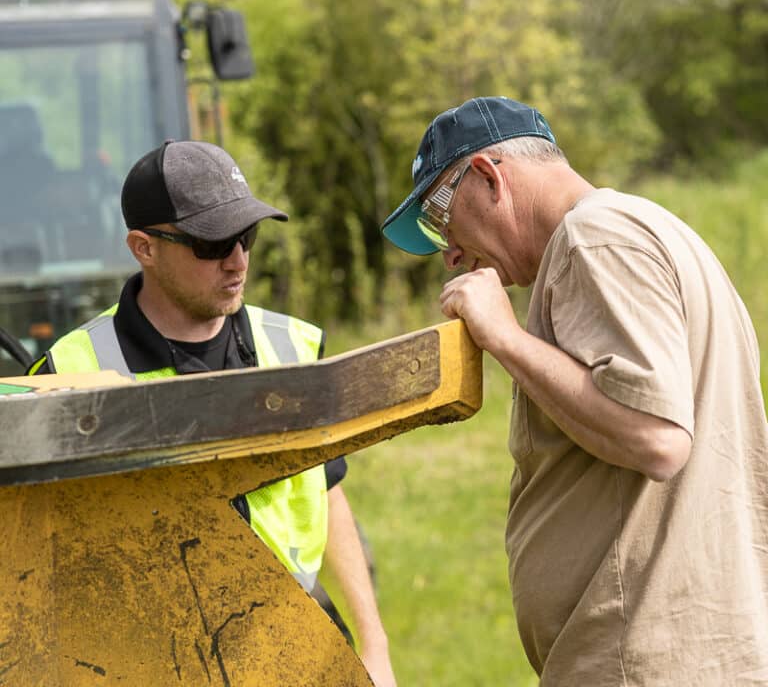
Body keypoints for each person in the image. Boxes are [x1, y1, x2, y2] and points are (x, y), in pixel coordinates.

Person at [381, 96, 768, 685]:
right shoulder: (658, 231)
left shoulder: (594, 238)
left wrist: (505, 337)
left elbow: (657, 438)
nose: (449, 253)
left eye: (439, 216)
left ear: (488, 177)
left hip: (643, 658)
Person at [28, 139, 397, 687]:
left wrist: (374, 644)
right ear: (143, 248)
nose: (239, 260)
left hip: (298, 640)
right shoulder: (68, 370)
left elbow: (326, 490)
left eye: (246, 235)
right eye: (213, 243)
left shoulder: (294, 347)